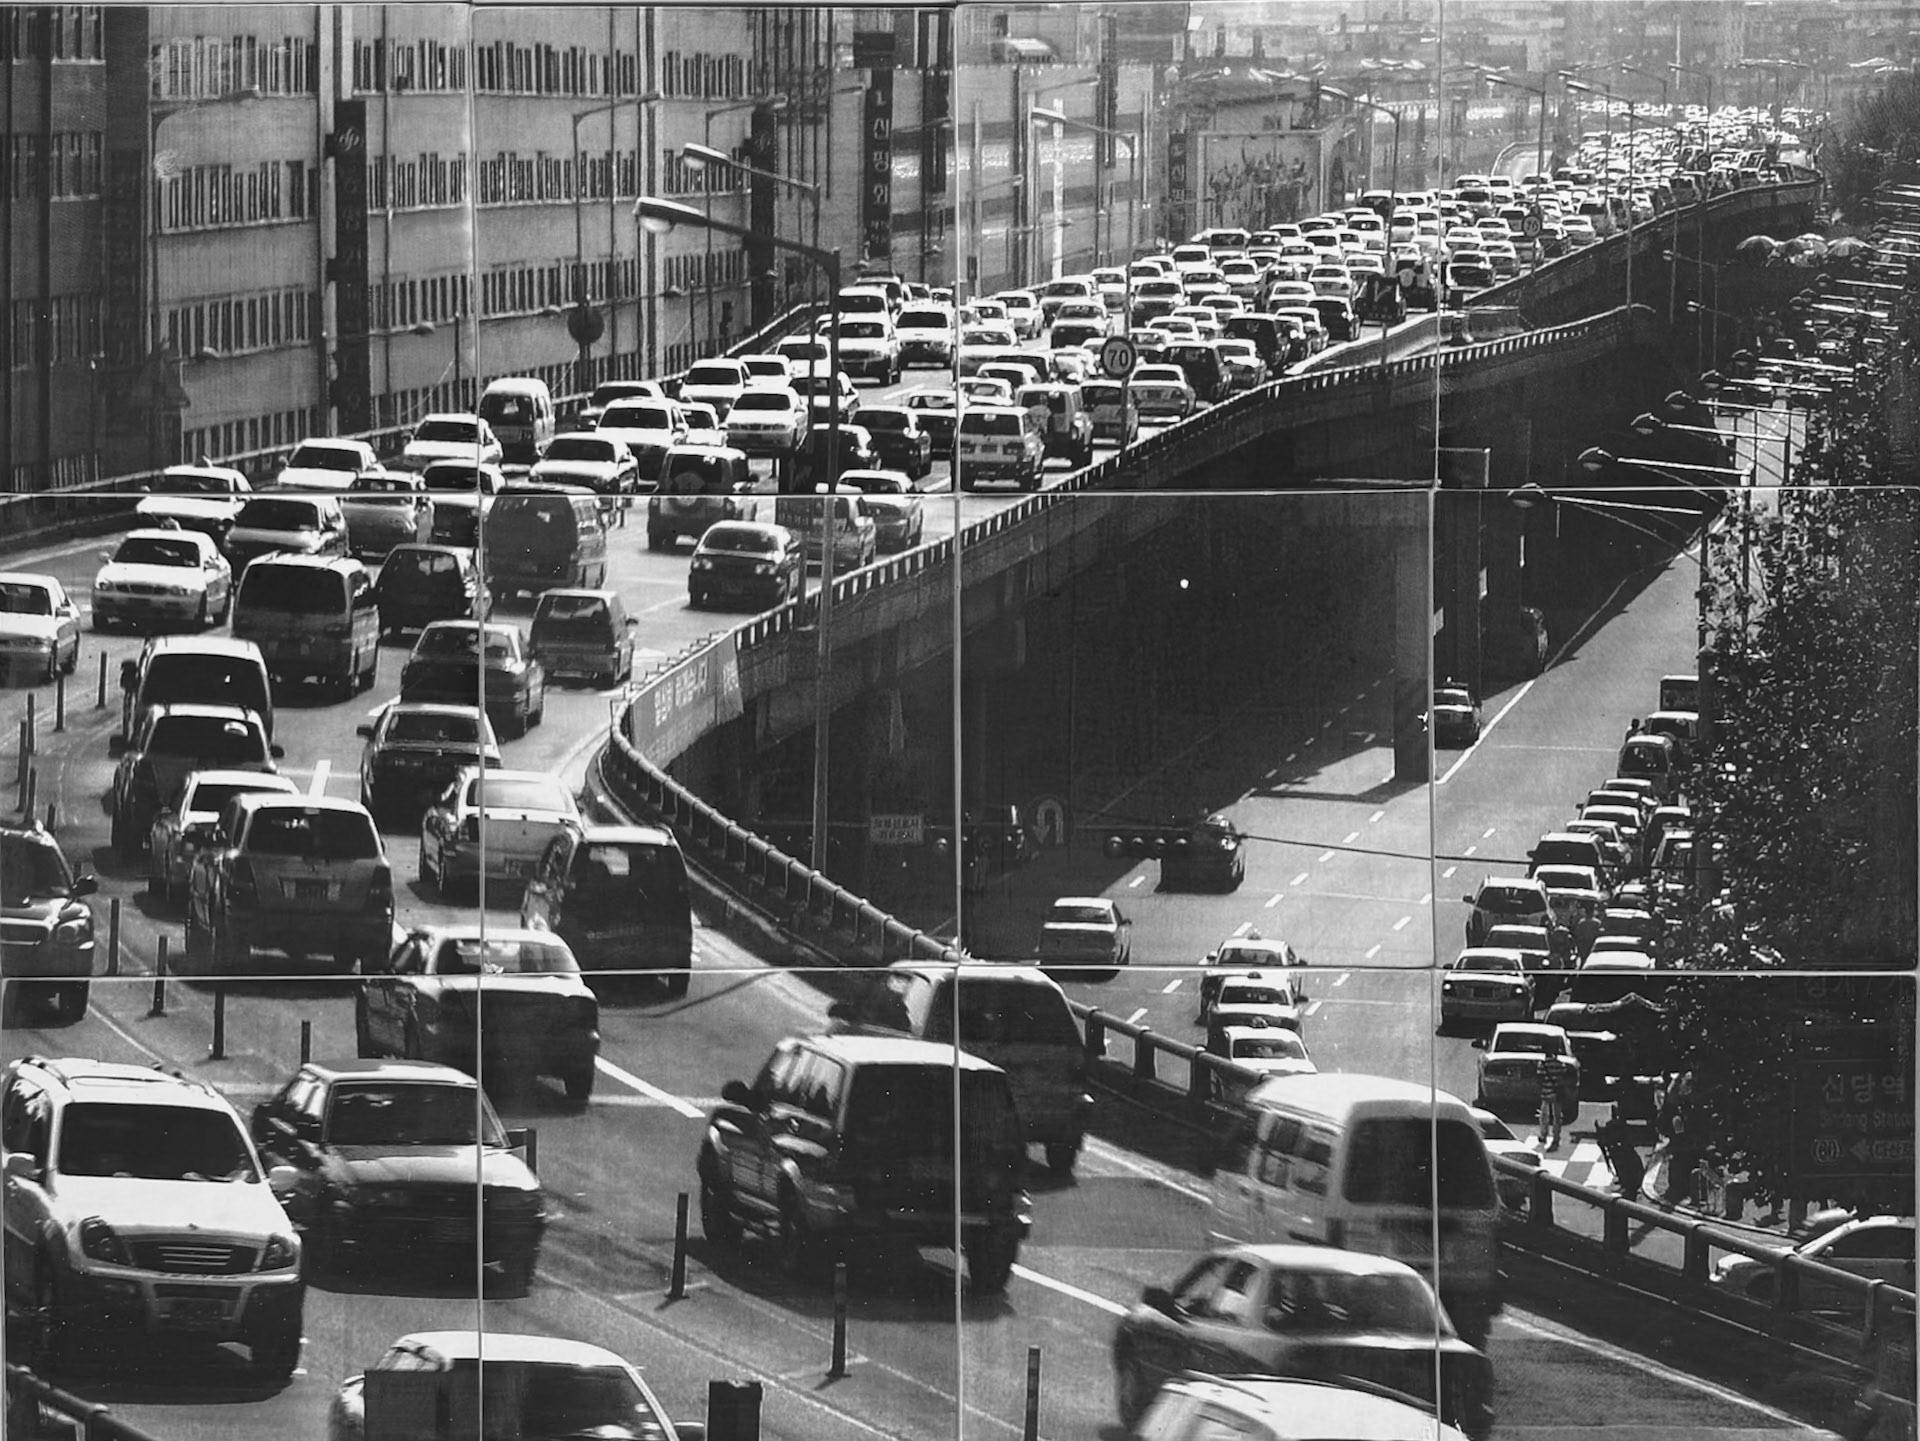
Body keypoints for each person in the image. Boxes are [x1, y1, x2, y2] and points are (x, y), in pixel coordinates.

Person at [1536, 1049, 1571, 1151]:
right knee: (1557, 1117)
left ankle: (1544, 1135)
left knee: (1544, 1116)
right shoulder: (1560, 1065)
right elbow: (1563, 1078)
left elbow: (1539, 1079)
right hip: (1557, 1094)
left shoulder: (1542, 1064)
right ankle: (1556, 1137)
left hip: (1546, 1093)